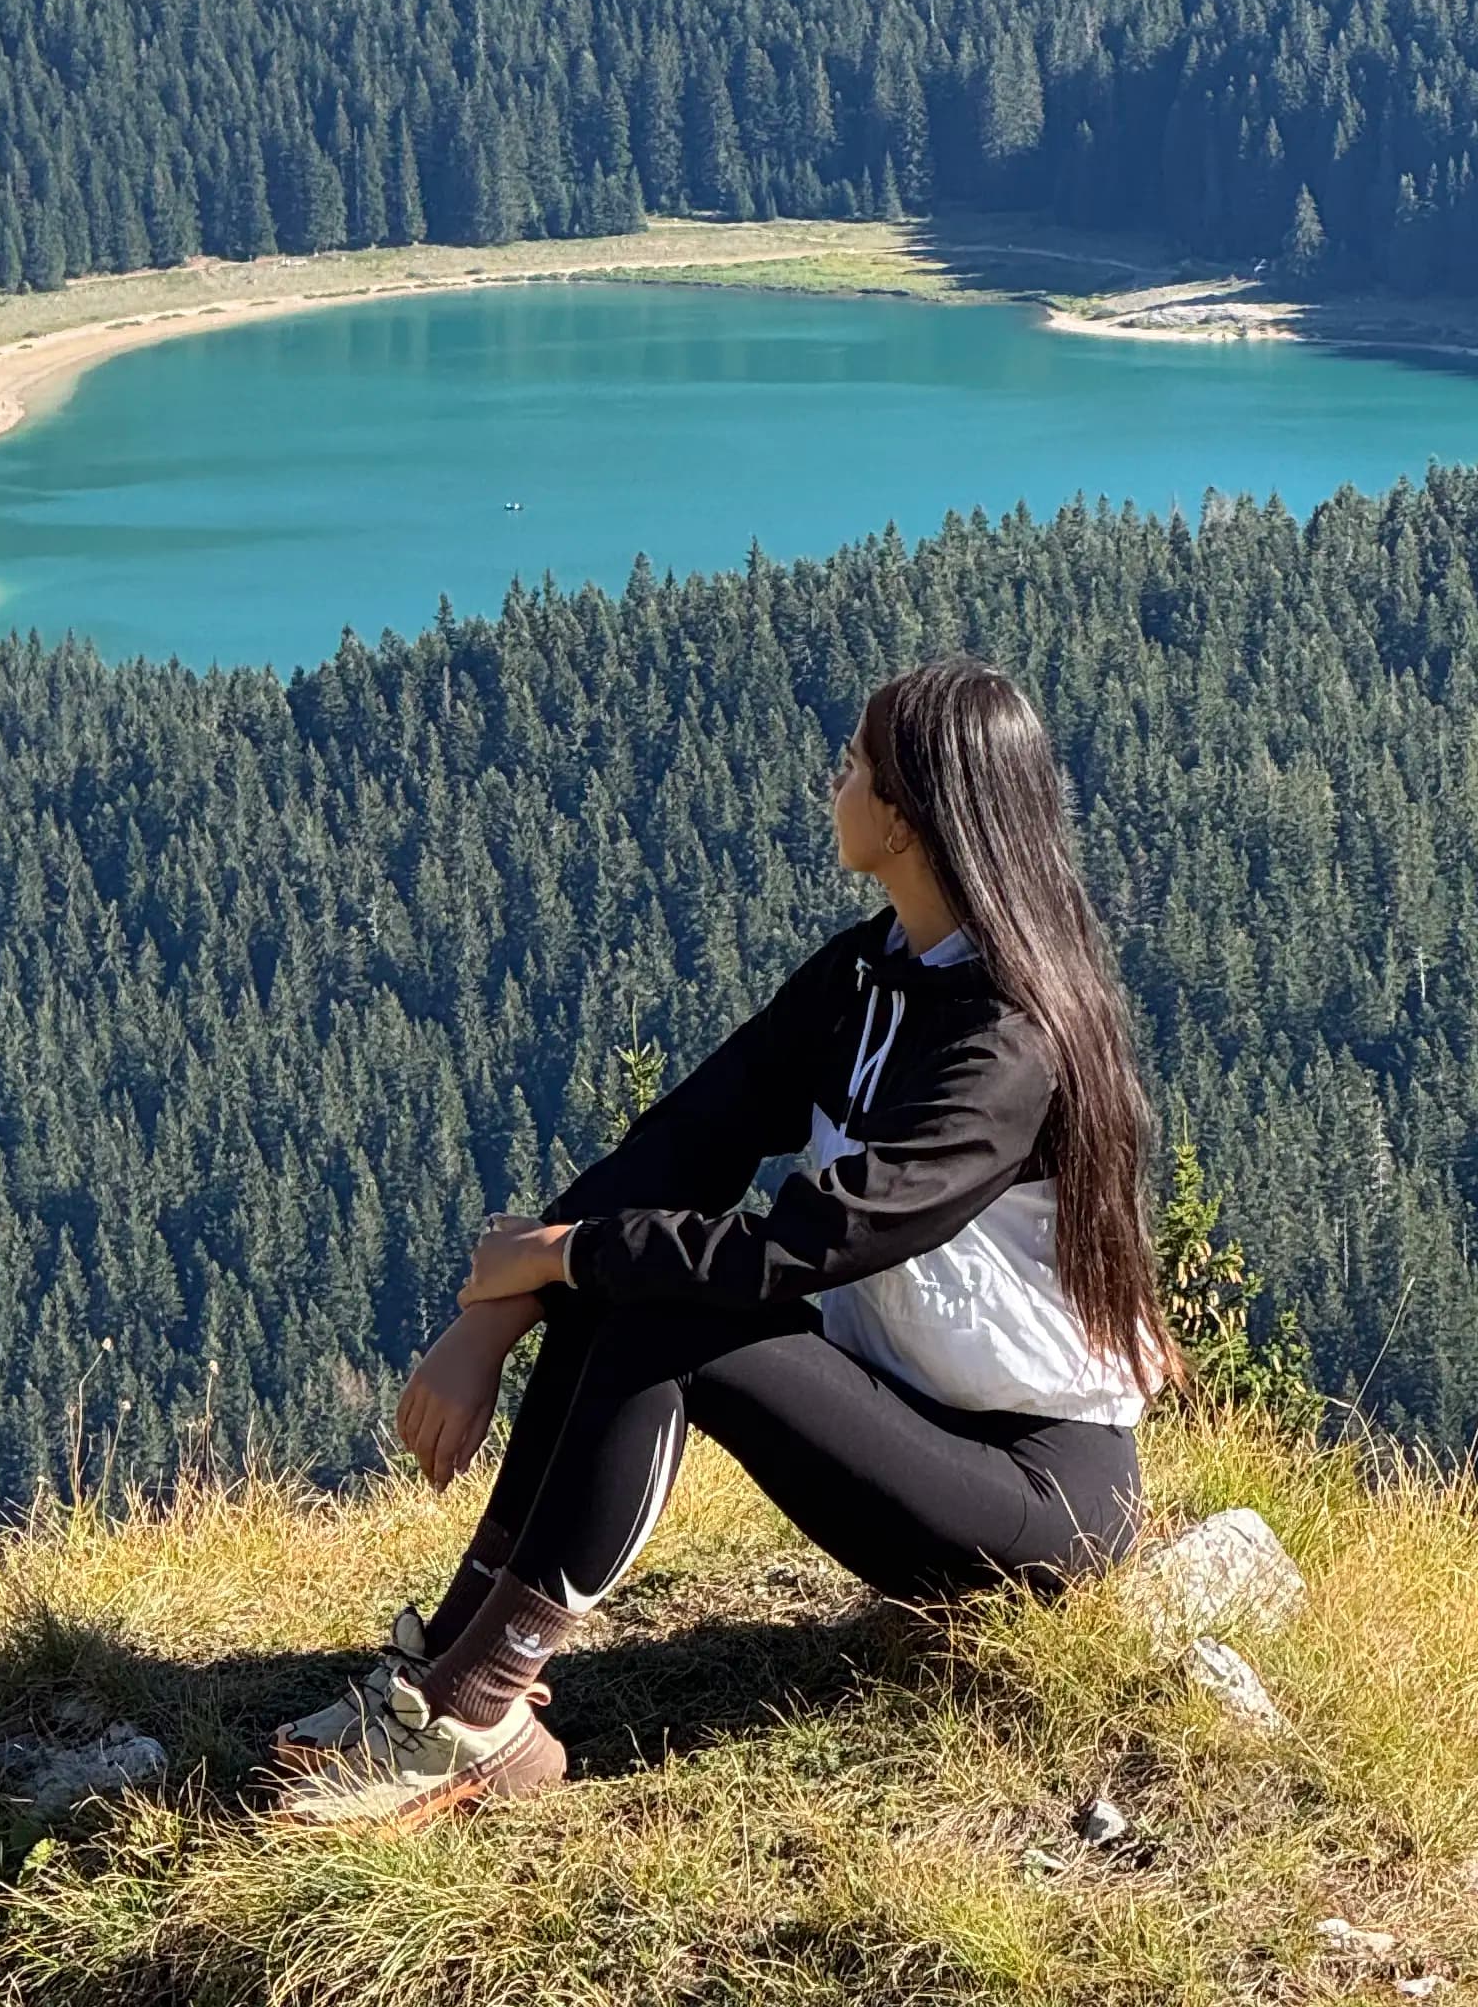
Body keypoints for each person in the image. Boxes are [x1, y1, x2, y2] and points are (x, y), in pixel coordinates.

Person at [268, 656, 1167, 1826]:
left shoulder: (1007, 1045)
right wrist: (504, 1312)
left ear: (904, 814)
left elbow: (801, 1246)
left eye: (851, 763)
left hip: (1037, 1496)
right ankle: (443, 1667)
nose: (830, 780)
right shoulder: (864, 977)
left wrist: (555, 1259)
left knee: (668, 1311)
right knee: (620, 1273)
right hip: (910, 1407)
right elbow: (691, 1137)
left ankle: (480, 1713)